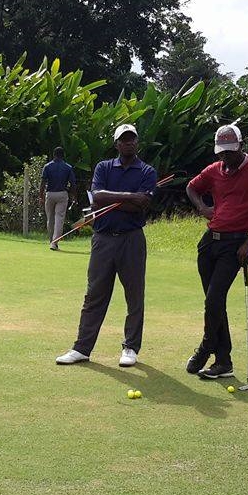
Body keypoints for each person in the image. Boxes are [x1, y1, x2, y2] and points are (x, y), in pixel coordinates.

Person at [183, 124, 248, 379]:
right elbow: (192, 188)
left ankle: (207, 346)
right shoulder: (214, 170)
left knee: (214, 299)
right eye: (221, 152)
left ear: (241, 145)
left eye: (229, 151)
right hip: (209, 243)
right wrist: (203, 207)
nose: (225, 156)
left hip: (235, 244)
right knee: (214, 302)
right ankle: (224, 361)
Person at [56, 124, 155, 367]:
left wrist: (115, 198)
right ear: (117, 144)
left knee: (134, 295)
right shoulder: (104, 167)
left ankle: (131, 347)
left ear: (137, 143)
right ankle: (82, 348)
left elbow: (143, 205)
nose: (128, 143)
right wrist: (131, 196)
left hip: (132, 238)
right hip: (103, 239)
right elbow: (97, 197)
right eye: (124, 139)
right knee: (94, 294)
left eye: (132, 139)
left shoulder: (147, 171)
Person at [41, 146, 76, 250]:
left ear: (53, 155)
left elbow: (42, 183)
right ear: (63, 155)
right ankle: (55, 242)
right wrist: (73, 196)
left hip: (50, 194)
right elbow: (73, 184)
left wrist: (40, 196)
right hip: (62, 194)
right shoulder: (68, 167)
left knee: (50, 219)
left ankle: (51, 241)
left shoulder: (47, 166)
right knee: (59, 219)